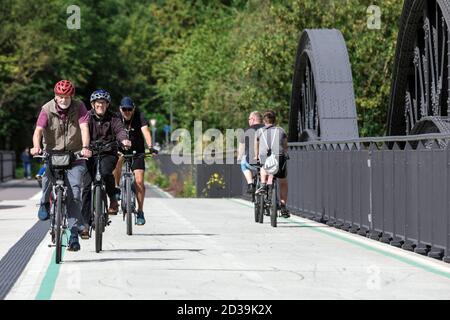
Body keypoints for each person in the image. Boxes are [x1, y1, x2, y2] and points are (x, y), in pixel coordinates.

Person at [30, 79, 92, 251]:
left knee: (75, 192)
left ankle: (73, 235)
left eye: (67, 97)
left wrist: (86, 147)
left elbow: (85, 128)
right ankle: (44, 202)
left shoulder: (79, 107)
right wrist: (36, 146)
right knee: (47, 179)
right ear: (55, 96)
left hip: (75, 154)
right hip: (53, 152)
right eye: (60, 97)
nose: (63, 100)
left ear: (72, 96)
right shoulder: (46, 109)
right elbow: (38, 132)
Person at [80, 90, 131, 239]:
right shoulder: (86, 117)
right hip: (90, 153)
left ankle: (113, 199)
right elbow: (80, 132)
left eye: (103, 102)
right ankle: (85, 224)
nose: (100, 105)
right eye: (98, 103)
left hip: (108, 152)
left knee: (105, 172)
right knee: (86, 186)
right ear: (93, 105)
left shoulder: (114, 117)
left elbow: (120, 131)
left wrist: (124, 140)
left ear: (107, 104)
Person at [113, 97, 153, 226]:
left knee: (139, 181)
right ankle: (116, 187)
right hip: (120, 150)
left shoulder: (139, 116)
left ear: (133, 109)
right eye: (124, 109)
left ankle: (140, 211)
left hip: (137, 151)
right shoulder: (116, 117)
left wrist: (150, 146)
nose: (127, 112)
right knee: (116, 161)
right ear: (120, 109)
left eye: (129, 109)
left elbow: (145, 131)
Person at [255, 110, 290, 218]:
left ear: (264, 121)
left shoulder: (259, 131)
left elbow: (256, 146)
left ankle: (263, 185)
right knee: (283, 181)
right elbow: (285, 146)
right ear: (275, 121)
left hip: (265, 157)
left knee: (262, 164)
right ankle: (283, 205)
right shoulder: (281, 130)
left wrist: (256, 156)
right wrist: (285, 153)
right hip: (279, 157)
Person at [237, 111, 264, 194]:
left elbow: (242, 147)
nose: (248, 121)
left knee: (243, 163)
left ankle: (250, 184)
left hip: (252, 162)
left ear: (253, 119)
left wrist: (239, 157)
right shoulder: (267, 128)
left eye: (249, 119)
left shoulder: (246, 130)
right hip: (267, 162)